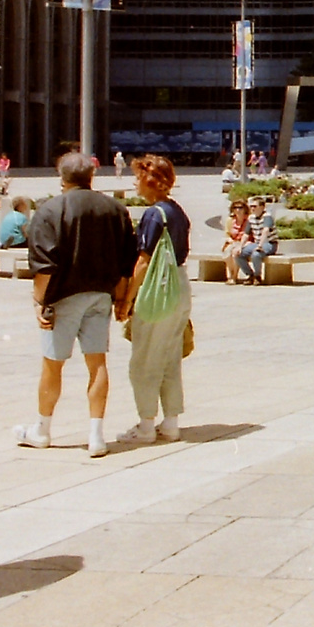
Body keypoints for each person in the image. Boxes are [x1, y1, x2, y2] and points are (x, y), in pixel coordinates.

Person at [18, 152, 137, 458]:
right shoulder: (115, 210)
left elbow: (44, 266)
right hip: (100, 296)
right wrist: (122, 299)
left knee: (52, 364)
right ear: (91, 177)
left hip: (63, 296)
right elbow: (126, 262)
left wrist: (38, 302)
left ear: (62, 178)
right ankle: (96, 435)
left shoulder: (49, 210)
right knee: (97, 363)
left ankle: (42, 429)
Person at [118, 156, 191, 444]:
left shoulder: (154, 214)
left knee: (145, 359)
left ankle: (146, 424)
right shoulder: (177, 211)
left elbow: (144, 262)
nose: (135, 183)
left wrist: (127, 298)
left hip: (157, 289)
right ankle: (171, 422)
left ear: (151, 181)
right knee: (170, 357)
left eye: (138, 177)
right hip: (179, 286)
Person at [236, 195, 279, 285]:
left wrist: (260, 246)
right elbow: (246, 234)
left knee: (256, 255)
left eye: (254, 206)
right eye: (251, 206)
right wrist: (240, 247)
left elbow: (265, 230)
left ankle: (257, 276)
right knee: (238, 254)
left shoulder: (267, 217)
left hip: (269, 244)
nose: (252, 208)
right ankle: (250, 275)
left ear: (262, 207)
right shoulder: (251, 218)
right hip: (257, 243)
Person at [220, 199, 250, 285]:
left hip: (245, 242)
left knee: (235, 253)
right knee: (227, 254)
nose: (238, 210)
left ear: (245, 209)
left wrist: (241, 243)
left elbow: (249, 235)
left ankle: (234, 276)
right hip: (233, 241)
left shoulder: (248, 220)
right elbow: (227, 233)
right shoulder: (230, 220)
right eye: (235, 208)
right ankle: (231, 273)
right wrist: (230, 240)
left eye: (240, 208)